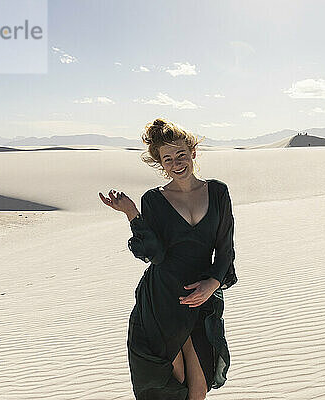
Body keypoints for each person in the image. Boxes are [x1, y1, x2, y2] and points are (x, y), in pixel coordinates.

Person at [99, 118, 237, 400]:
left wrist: (212, 283)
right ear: (161, 164)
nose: (177, 163)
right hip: (162, 297)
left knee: (198, 388)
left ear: (193, 153)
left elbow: (225, 250)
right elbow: (154, 255)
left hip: (201, 296)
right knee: (172, 382)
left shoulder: (218, 192)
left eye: (181, 154)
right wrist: (132, 215)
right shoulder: (154, 199)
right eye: (168, 158)